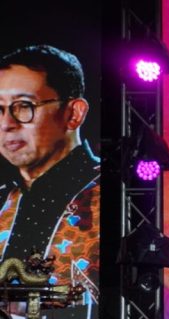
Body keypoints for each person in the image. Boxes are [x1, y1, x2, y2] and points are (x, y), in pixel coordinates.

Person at [0, 44, 100, 286]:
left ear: (74, 114)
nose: (6, 124)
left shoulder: (115, 198)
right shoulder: (5, 201)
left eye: (24, 106)